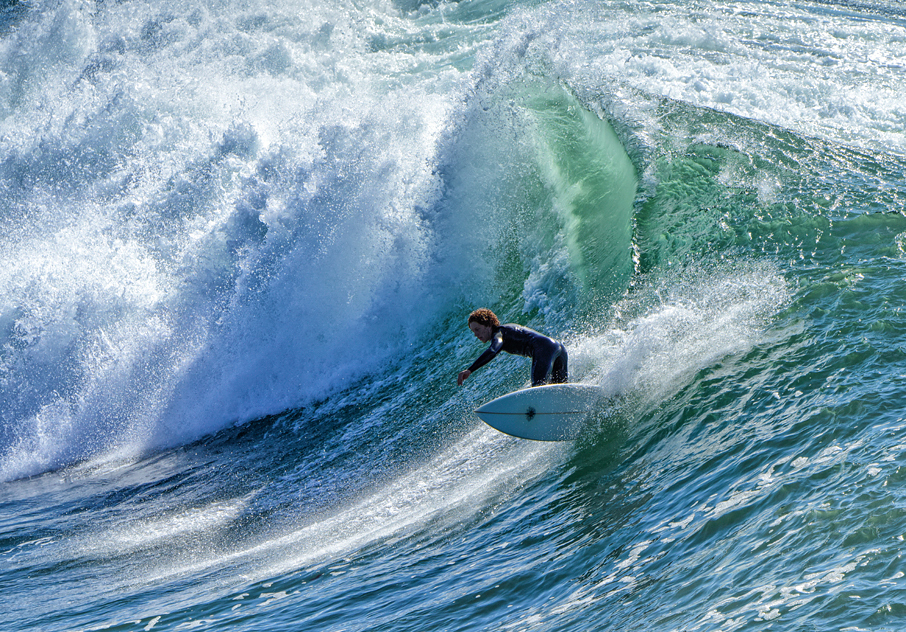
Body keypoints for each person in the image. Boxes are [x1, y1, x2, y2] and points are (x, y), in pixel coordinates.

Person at [457, 308, 568, 387]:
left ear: (488, 324)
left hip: (545, 350)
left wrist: (470, 370)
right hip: (558, 348)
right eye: (473, 331)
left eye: (477, 329)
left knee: (538, 389)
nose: (476, 334)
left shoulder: (499, 333)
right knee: (559, 389)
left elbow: (493, 350)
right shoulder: (504, 330)